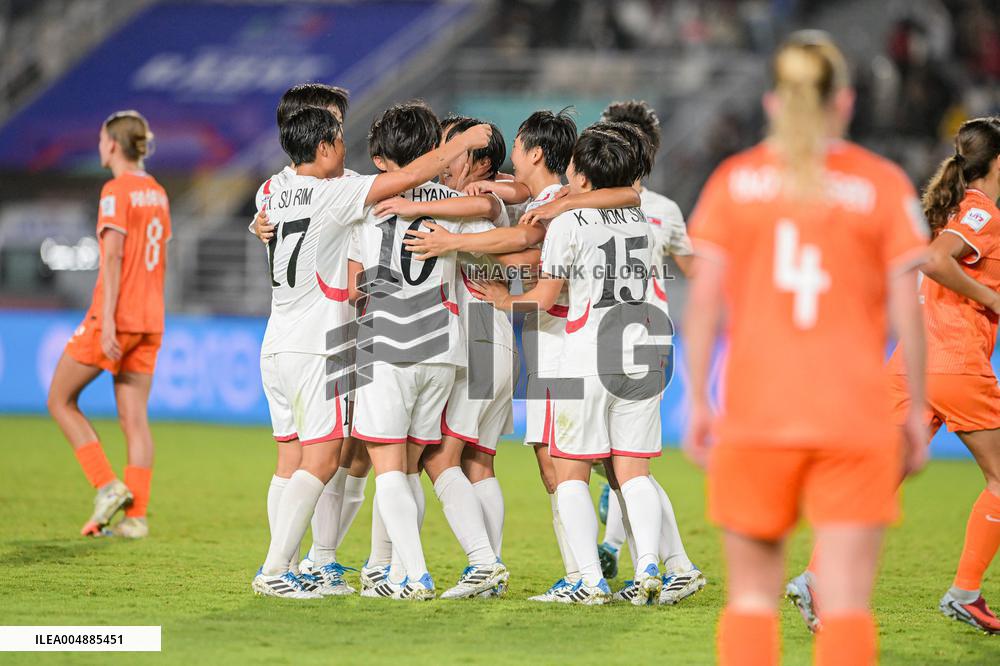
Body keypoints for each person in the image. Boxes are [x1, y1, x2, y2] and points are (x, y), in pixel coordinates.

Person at [683, 32, 928, 664]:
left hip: (757, 415)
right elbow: (909, 310)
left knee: (751, 602)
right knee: (845, 603)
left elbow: (705, 305)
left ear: (772, 102)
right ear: (845, 101)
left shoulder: (735, 183)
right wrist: (919, 411)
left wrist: (701, 404)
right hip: (854, 415)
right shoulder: (882, 184)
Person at [251, 105, 492, 598]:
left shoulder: (279, 192)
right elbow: (489, 216)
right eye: (338, 133)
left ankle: (354, 568)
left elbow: (357, 281)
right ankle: (372, 568)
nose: (346, 144)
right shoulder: (423, 198)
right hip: (438, 347)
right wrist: (463, 152)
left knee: (335, 460)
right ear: (320, 144)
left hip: (349, 341)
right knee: (394, 464)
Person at [403, 110, 640, 601]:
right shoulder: (526, 196)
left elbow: (524, 243)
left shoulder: (537, 202)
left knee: (444, 455)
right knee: (485, 461)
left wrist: (453, 241)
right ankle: (568, 568)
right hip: (517, 338)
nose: (443, 162)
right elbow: (515, 208)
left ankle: (490, 564)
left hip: (507, 337)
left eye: (453, 152)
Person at [788, 117, 1000, 635]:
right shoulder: (981, 211)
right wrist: (992, 298)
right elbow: (934, 259)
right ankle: (966, 592)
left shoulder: (952, 207)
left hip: (911, 362)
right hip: (953, 362)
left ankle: (817, 578)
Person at [477, 126, 666, 605]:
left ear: (579, 175)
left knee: (569, 471)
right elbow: (627, 195)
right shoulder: (642, 220)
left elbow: (544, 297)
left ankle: (587, 580)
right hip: (643, 350)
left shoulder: (566, 225)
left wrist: (503, 301)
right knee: (634, 472)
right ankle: (647, 568)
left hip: (589, 351)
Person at [249, 83, 366, 594]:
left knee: (310, 454)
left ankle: (301, 561)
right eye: (332, 123)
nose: (340, 133)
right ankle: (303, 562)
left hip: (293, 332)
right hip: (334, 332)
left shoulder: (270, 191)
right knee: (334, 452)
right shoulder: (340, 188)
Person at [47, 110, 169, 540]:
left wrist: (108, 323)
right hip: (152, 315)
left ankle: (107, 485)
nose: (100, 146)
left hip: (116, 314)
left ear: (114, 145)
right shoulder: (156, 192)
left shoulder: (116, 191)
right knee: (135, 420)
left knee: (60, 399)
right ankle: (136, 518)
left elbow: (114, 257)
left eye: (102, 139)